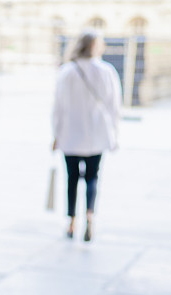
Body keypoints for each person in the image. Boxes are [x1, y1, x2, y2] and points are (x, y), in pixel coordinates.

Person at [52, 31, 122, 242]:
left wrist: (55, 134)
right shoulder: (106, 71)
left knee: (72, 178)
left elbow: (58, 108)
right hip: (96, 135)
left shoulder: (67, 72)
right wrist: (115, 135)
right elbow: (114, 107)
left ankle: (72, 221)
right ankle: (90, 217)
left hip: (70, 135)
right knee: (92, 177)